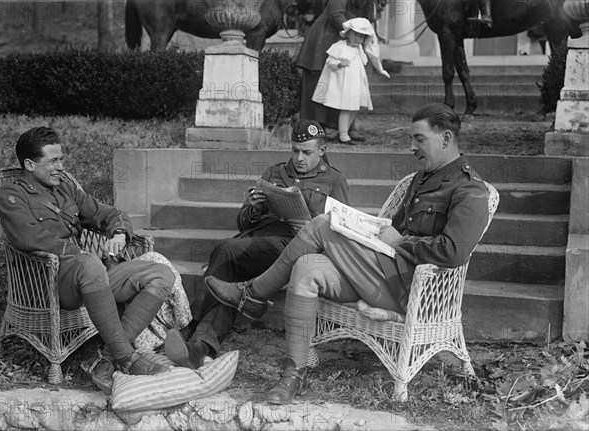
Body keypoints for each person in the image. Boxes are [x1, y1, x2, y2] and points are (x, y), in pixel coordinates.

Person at [204, 103, 490, 404]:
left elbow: (454, 253)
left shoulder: (470, 190)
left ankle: (252, 294)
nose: (411, 147)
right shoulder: (422, 179)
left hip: (414, 291)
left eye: (419, 139)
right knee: (307, 267)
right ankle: (293, 374)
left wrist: (400, 243)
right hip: (382, 274)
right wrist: (364, 230)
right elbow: (389, 231)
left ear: (445, 138)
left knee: (322, 225)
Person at [0, 127, 175, 394]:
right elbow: (30, 238)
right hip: (49, 280)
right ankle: (127, 358)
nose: (60, 167)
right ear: (30, 165)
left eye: (61, 159)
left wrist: (119, 233)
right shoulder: (11, 194)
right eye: (53, 161)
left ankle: (105, 358)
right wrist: (80, 255)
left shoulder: (65, 187)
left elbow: (109, 213)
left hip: (89, 274)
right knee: (90, 263)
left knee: (162, 274)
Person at [163, 119, 349, 369]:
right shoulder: (274, 173)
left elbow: (342, 232)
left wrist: (311, 225)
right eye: (294, 150)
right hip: (259, 244)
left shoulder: (335, 180)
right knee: (226, 276)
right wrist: (254, 206)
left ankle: (192, 327)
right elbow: (243, 223)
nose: (299, 158)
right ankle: (200, 347)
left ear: (322, 150)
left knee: (226, 250)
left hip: (295, 249)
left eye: (307, 152)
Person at [295, 0, 382, 140]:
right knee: (320, 83)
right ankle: (317, 127)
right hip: (325, 38)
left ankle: (347, 128)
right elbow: (336, 14)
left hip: (345, 37)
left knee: (346, 85)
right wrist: (357, 31)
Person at [313, 17, 390, 145]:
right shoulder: (338, 46)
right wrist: (339, 64)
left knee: (354, 108)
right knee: (346, 108)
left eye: (361, 36)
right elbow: (330, 62)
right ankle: (343, 135)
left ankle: (343, 131)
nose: (358, 38)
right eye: (355, 34)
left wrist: (380, 69)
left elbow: (364, 62)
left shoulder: (359, 50)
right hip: (343, 84)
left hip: (356, 83)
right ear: (348, 34)